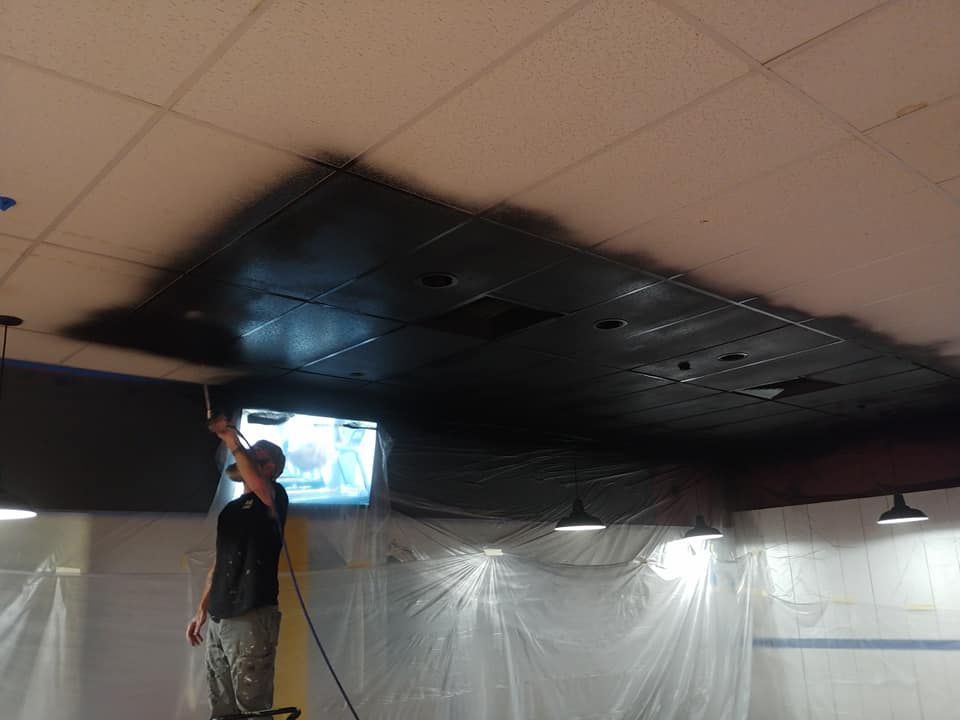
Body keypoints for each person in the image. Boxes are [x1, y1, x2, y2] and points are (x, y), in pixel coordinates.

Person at [186, 416, 289, 718]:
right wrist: (202, 610)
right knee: (222, 704)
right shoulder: (231, 510)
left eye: (258, 456)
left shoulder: (274, 496)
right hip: (221, 616)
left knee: (252, 705)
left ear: (270, 468)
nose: (247, 456)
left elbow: (260, 487)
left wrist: (232, 440)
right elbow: (220, 561)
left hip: (252, 613)